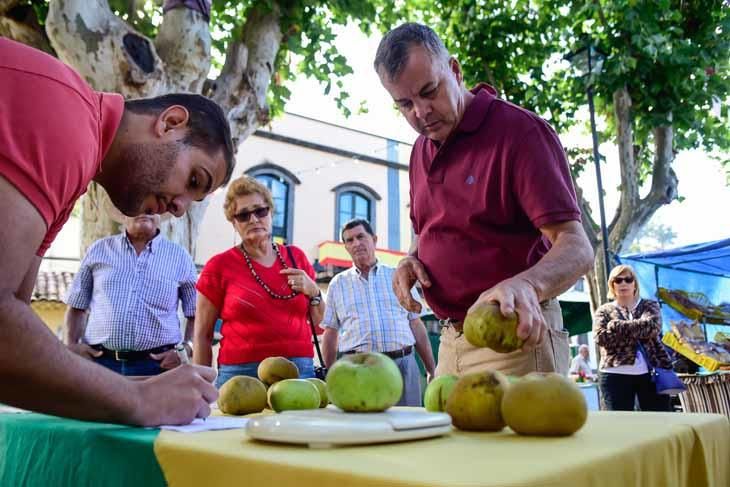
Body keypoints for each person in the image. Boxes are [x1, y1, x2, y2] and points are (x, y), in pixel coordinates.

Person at [0, 37, 235, 426]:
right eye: (194, 179)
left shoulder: (73, 167)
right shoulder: (69, 117)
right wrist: (137, 398)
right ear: (171, 123)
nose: (179, 208)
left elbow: (13, 331)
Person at [374, 23, 594, 377]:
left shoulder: (520, 132)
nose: (421, 112)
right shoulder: (419, 151)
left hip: (514, 338)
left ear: (455, 71)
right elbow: (425, 231)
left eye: (430, 91)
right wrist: (410, 261)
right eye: (404, 104)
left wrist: (527, 283)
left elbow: (577, 247)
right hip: (448, 341)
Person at [193, 176, 325, 387]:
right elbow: (202, 334)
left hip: (299, 370)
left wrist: (314, 292)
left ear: (271, 213)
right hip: (241, 375)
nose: (254, 220)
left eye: (260, 211)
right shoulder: (218, 266)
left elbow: (320, 324)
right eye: (244, 215)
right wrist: (200, 386)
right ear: (234, 222)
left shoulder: (296, 258)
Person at [64, 214, 197, 377]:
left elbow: (196, 314)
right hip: (99, 364)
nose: (144, 212)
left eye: (151, 208)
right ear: (122, 214)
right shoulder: (99, 250)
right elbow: (76, 305)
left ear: (160, 215)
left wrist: (186, 349)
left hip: (159, 367)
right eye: (138, 205)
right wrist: (71, 346)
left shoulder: (180, 256)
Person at [320, 219, 436, 406]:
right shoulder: (337, 284)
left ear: (374, 239)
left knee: (408, 428)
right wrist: (330, 373)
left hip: (403, 365)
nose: (356, 243)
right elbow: (330, 331)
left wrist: (431, 369)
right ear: (346, 247)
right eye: (349, 240)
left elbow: (415, 323)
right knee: (364, 431)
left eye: (360, 236)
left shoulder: (398, 276)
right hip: (357, 370)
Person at [594, 265, 673, 411]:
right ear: (612, 284)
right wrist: (638, 330)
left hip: (651, 374)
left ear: (634, 283)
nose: (623, 283)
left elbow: (652, 327)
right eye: (618, 280)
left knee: (658, 422)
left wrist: (616, 326)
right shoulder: (604, 310)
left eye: (628, 279)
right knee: (621, 426)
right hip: (614, 375)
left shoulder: (649, 305)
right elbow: (601, 338)